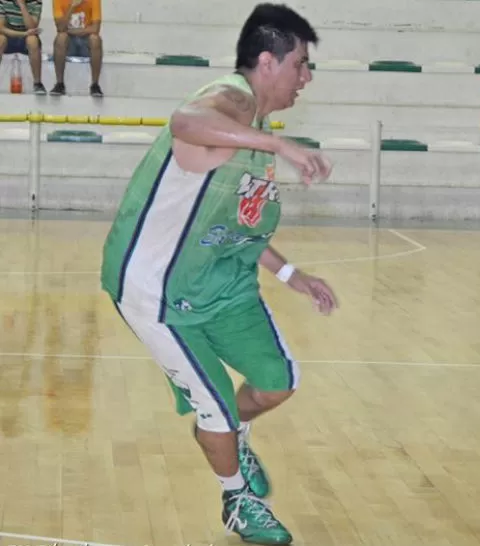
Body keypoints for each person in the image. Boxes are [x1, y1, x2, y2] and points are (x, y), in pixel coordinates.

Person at [99, 4, 335, 544]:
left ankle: (232, 433)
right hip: (157, 289)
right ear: (268, 62)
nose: (307, 77)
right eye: (301, 63)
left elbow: (239, 222)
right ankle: (235, 498)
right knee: (217, 411)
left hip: (220, 282)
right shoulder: (233, 99)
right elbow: (186, 120)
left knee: (278, 383)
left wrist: (290, 272)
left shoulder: (253, 125)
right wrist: (278, 145)